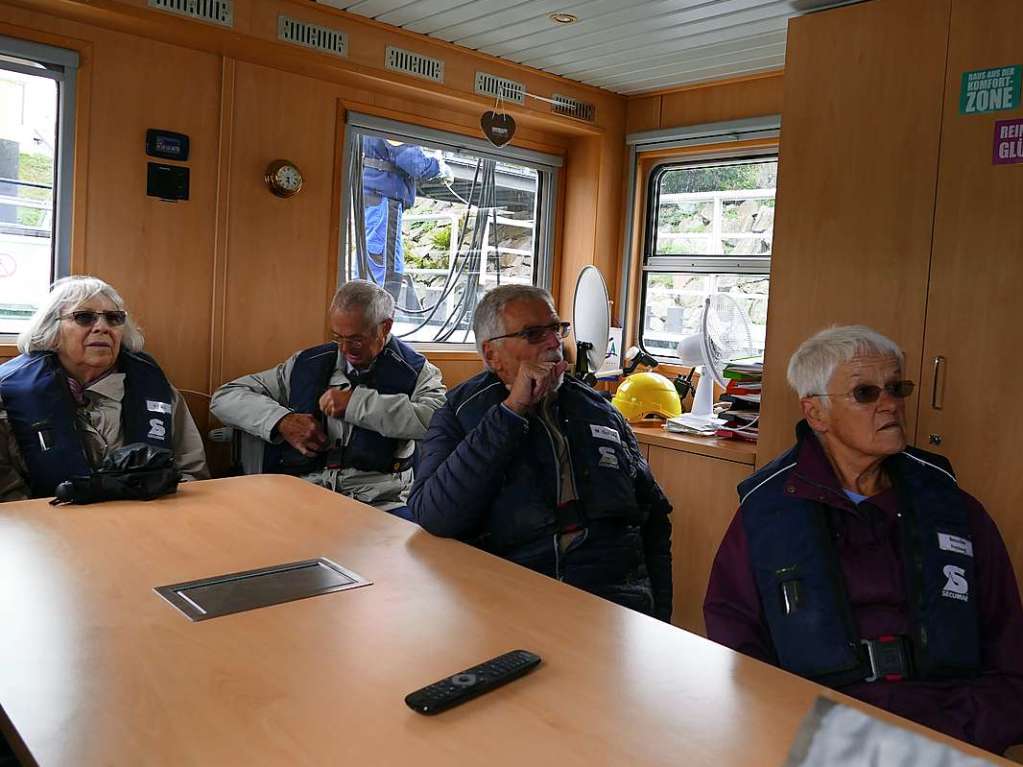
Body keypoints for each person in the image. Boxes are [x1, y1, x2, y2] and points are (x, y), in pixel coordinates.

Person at [704, 325, 1023, 755]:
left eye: (896, 388)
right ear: (816, 413)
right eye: (866, 393)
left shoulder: (956, 510)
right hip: (818, 728)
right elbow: (734, 642)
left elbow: (1009, 645)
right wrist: (790, 729)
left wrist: (967, 731)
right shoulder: (769, 512)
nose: (890, 403)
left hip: (953, 728)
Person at [409, 285, 673, 620]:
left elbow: (654, 521)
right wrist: (511, 411)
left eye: (556, 329)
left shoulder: (601, 411)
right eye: (534, 334)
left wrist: (661, 616)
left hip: (615, 600)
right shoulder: (459, 412)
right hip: (509, 597)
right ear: (492, 355)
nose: (554, 344)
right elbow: (434, 514)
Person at [210, 280, 445, 519]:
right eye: (337, 337)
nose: (344, 349)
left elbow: (437, 421)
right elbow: (225, 397)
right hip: (301, 495)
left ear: (385, 327)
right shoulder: (304, 365)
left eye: (356, 339)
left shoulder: (417, 372)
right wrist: (282, 420)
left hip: (381, 503)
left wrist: (356, 405)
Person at [0, 275, 208, 501]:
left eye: (113, 318)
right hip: (46, 525)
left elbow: (191, 472)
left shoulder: (158, 391)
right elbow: (7, 494)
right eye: (84, 317)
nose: (102, 327)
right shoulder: (8, 394)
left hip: (149, 520)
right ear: (51, 332)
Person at [358, 137, 450, 302]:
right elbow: (413, 163)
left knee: (374, 263)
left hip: (375, 199)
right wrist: (437, 166)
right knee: (385, 268)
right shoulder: (391, 119)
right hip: (383, 200)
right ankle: (377, 320)